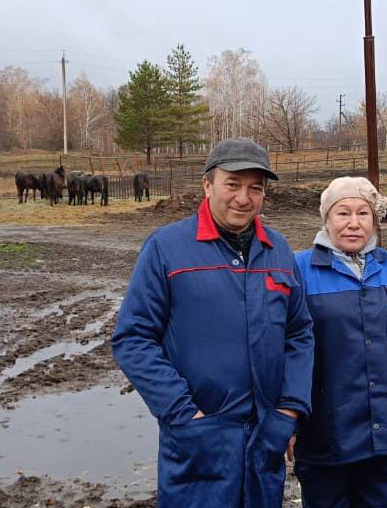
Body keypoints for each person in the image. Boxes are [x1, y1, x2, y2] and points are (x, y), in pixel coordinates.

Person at [111, 137, 314, 508]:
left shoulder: (278, 250)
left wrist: (289, 409)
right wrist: (183, 413)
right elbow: (133, 338)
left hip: (264, 437)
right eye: (233, 184)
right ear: (207, 184)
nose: (243, 197)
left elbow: (299, 332)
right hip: (199, 438)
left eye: (256, 188)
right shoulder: (167, 248)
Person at [293, 176, 387, 508]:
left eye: (363, 213)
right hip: (325, 432)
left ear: (375, 220)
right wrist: (287, 420)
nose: (353, 224)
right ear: (327, 219)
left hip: (383, 430)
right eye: (342, 213)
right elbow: (286, 352)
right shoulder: (300, 271)